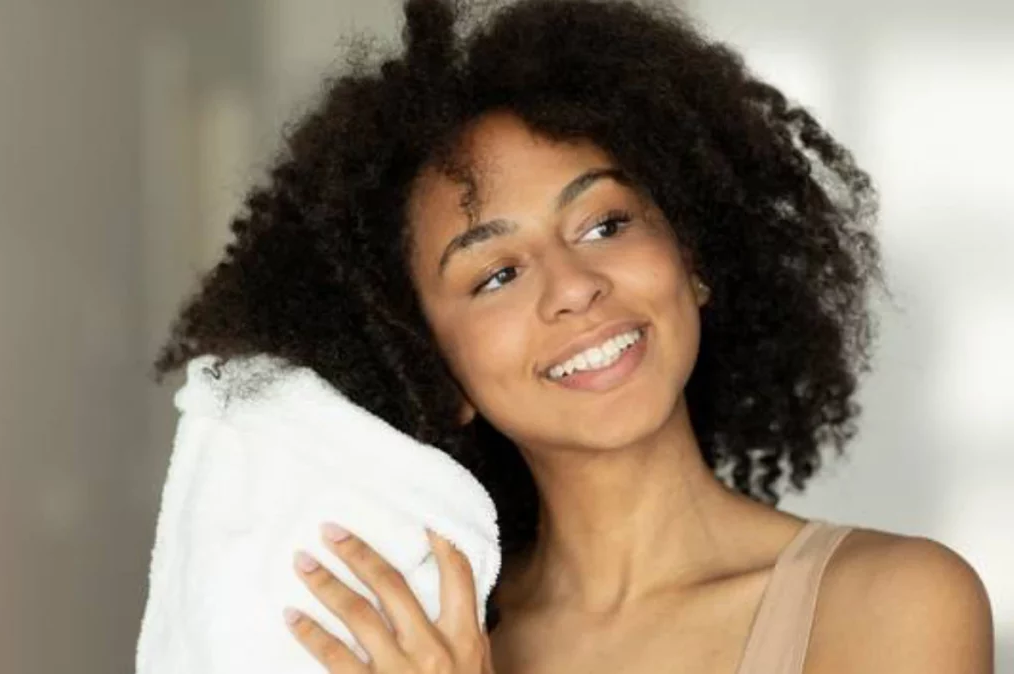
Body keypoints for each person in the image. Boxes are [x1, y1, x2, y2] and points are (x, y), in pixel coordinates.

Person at [151, 0, 995, 671]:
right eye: (496, 275)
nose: (575, 287)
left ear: (689, 256)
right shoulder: (418, 638)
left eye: (604, 224)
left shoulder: (897, 604)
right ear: (433, 372)